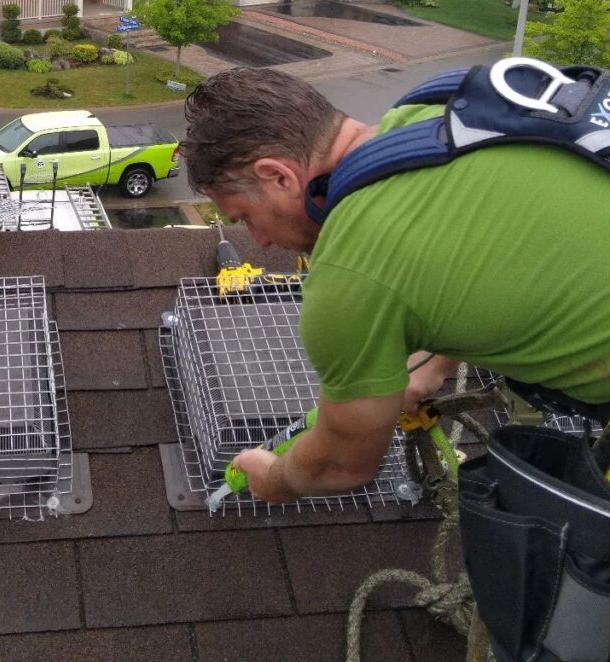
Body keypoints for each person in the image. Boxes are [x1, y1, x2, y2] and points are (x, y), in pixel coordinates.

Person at [182, 64, 610, 662]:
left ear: (276, 175)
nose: (259, 243)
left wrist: (271, 476)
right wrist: (431, 366)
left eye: (242, 216)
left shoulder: (349, 274)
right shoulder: (433, 114)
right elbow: (484, 244)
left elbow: (340, 466)